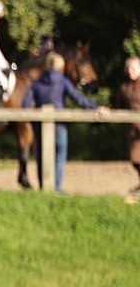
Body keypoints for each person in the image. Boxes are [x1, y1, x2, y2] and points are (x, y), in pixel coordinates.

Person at [22, 51, 110, 194]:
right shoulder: (63, 81)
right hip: (59, 126)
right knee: (59, 156)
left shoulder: (36, 83)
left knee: (41, 157)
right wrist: (96, 107)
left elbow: (26, 104)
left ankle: (43, 188)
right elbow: (78, 99)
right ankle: (56, 189)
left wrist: (33, 118)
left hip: (39, 127)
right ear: (61, 66)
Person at [115, 56, 140, 195]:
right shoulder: (124, 87)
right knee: (134, 159)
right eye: (129, 68)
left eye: (134, 68)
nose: (130, 71)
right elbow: (118, 106)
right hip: (132, 128)